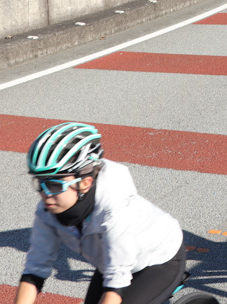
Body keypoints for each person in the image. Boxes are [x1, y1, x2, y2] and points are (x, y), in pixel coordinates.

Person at [15, 122, 186, 304]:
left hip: (159, 260)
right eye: (40, 183)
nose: (45, 193)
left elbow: (116, 285)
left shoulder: (115, 211)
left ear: (85, 183)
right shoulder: (48, 209)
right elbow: (34, 271)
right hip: (113, 262)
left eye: (55, 185)